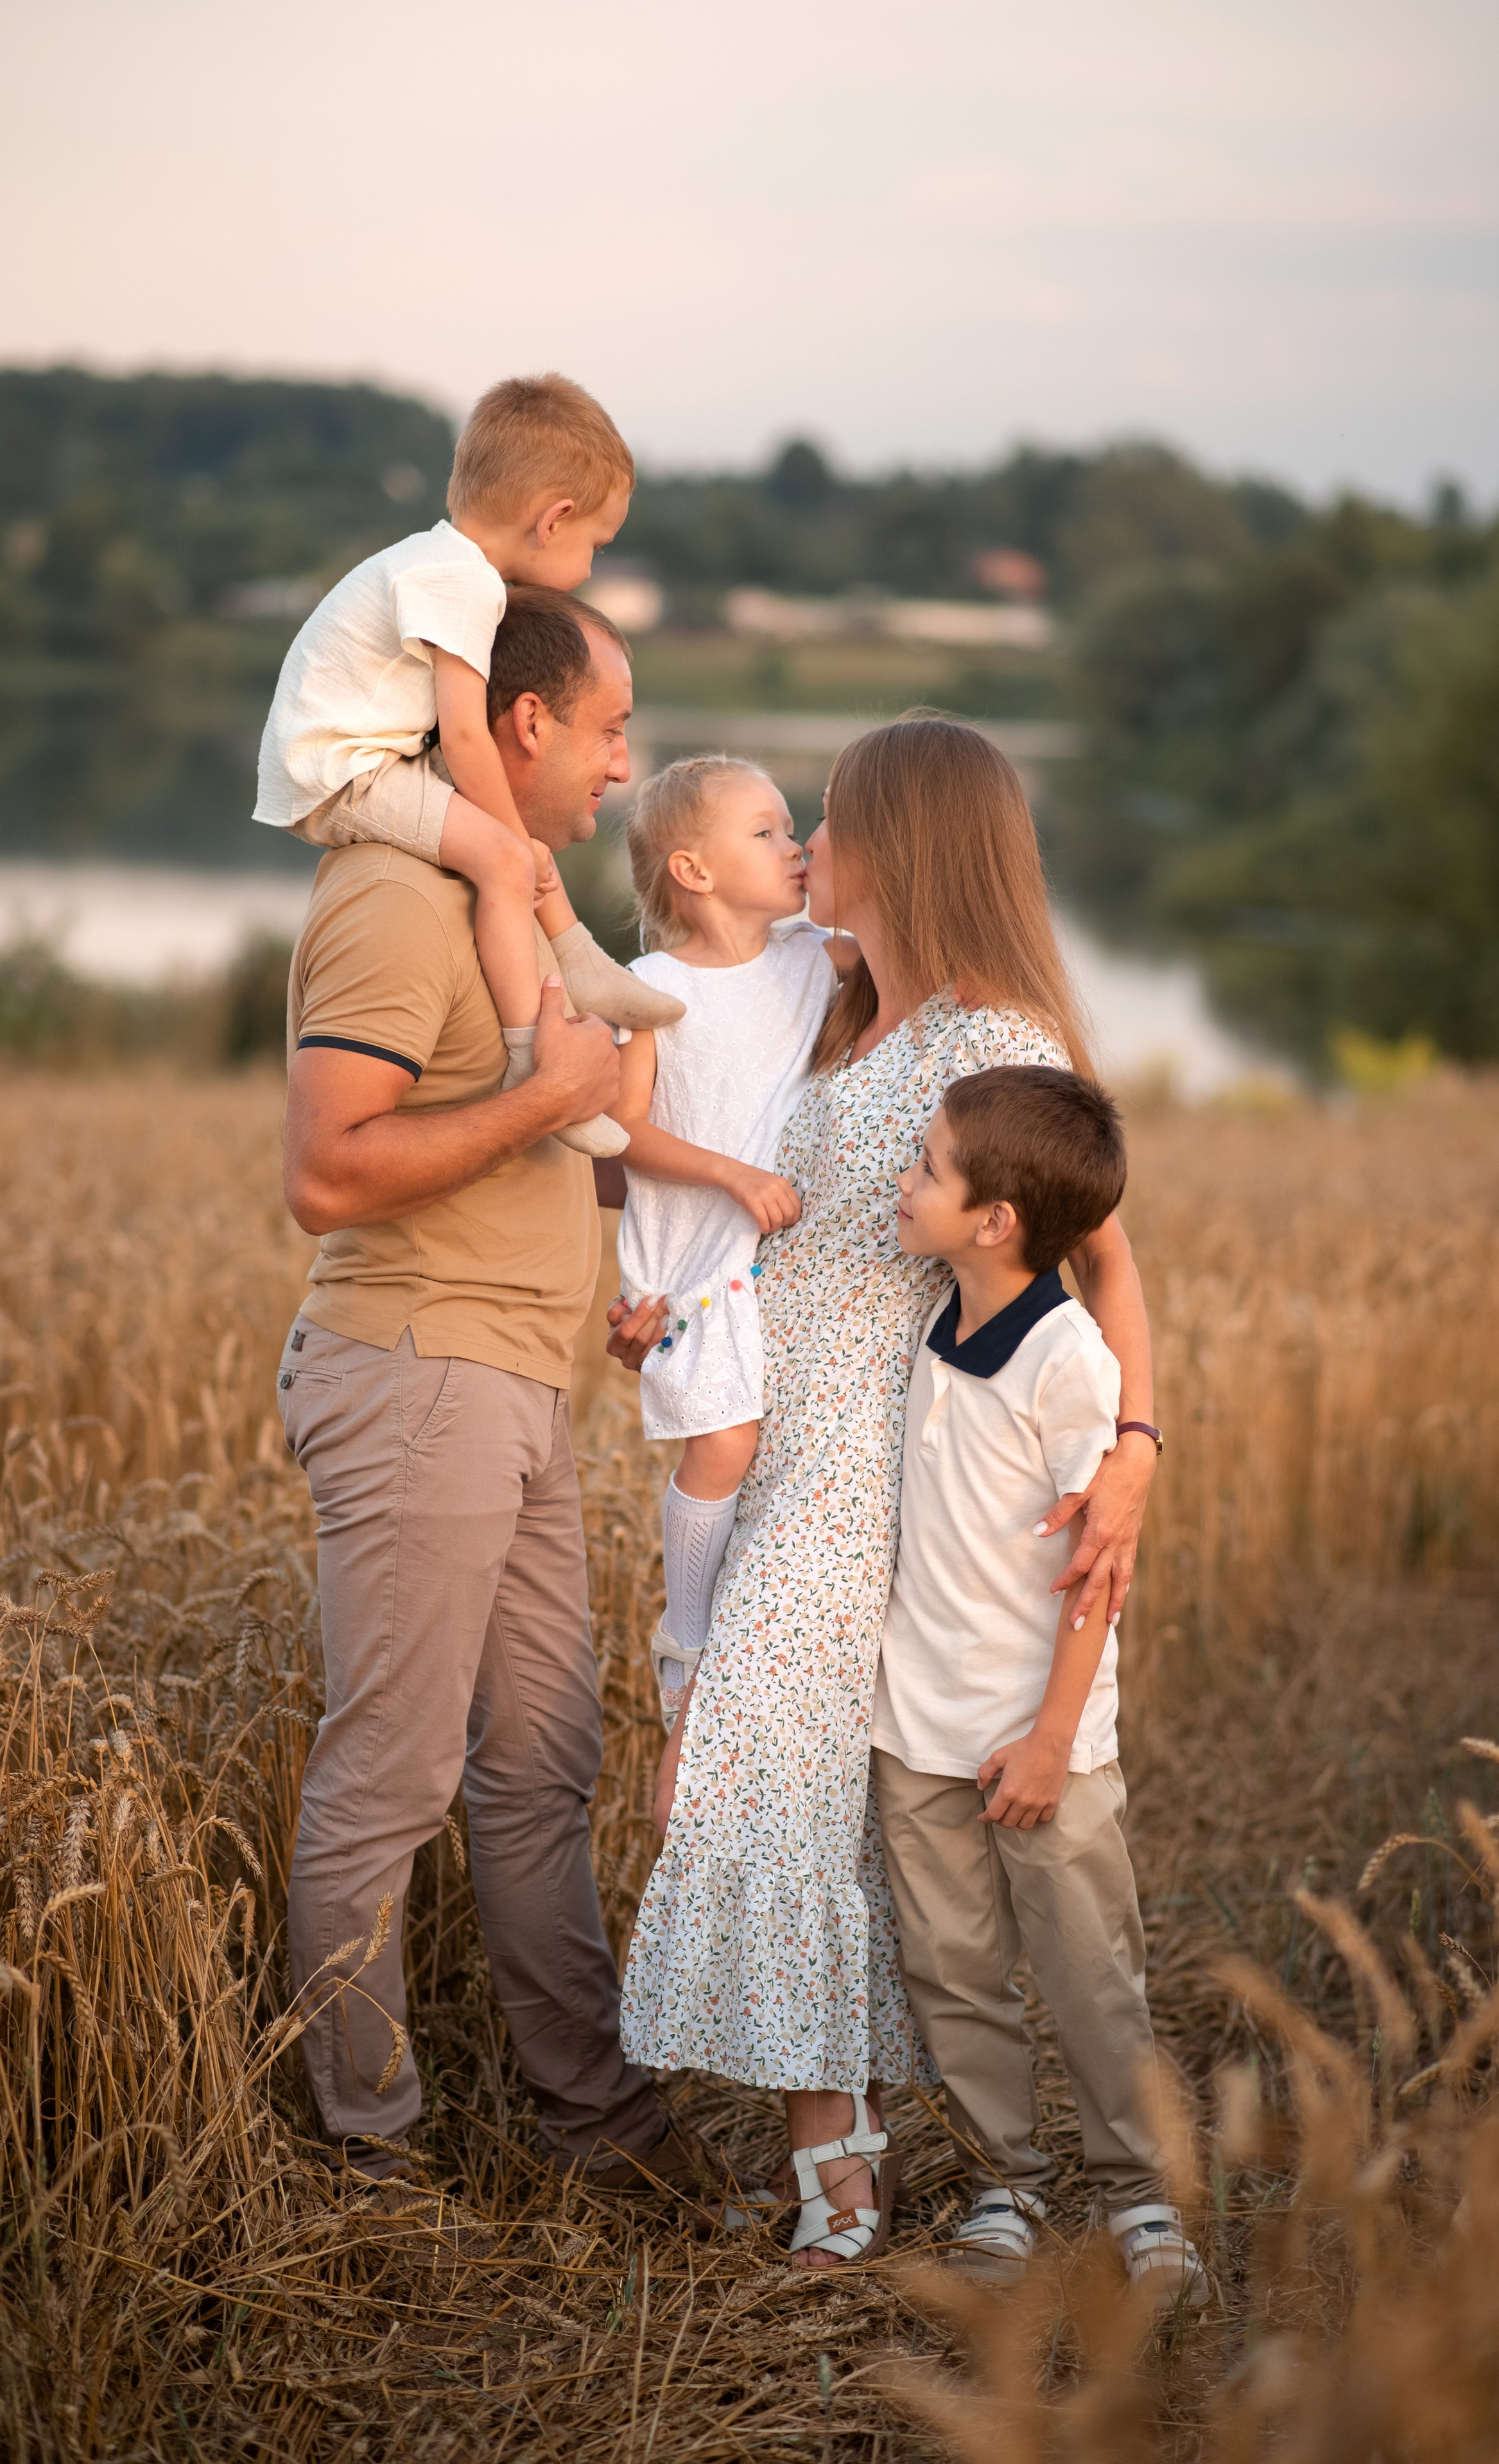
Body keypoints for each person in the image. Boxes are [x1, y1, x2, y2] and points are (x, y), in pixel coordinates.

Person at [611, 715, 1161, 2267]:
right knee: (801, 1796)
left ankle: (867, 2170)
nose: (808, 848)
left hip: (866, 1469)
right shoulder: (831, 1015)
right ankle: (864, 2155)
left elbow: (1105, 1260)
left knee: (743, 1771)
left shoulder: (991, 1042)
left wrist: (1133, 1443)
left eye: (832, 822)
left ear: (903, 845)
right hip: (760, 1437)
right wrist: (672, 1318)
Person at [276, 585, 689, 2199]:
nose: (621, 762)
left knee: (538, 1765)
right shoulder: (395, 899)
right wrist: (542, 1104)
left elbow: (561, 1130)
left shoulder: (512, 897)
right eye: (608, 728)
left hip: (511, 1382)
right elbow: (326, 1174)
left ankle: (598, 2128)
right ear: (522, 722)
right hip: (417, 1372)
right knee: (390, 1781)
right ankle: (367, 2165)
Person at [874, 1066, 1206, 2304]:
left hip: (1043, 1736)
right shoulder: (932, 1312)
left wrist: (1053, 1738)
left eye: (927, 1169)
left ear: (995, 1221)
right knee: (953, 1975)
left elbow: (1092, 1575)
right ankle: (1003, 2182)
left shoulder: (1068, 1359)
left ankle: (1141, 2195)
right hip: (917, 1730)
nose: (905, 1181)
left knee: (1091, 1975)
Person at [255, 372, 682, 1159]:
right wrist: (511, 842)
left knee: (514, 841)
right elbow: (463, 733)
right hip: (341, 772)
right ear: (553, 520)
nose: (592, 569)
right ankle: (534, 1059)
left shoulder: (441, 562)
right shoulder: (462, 585)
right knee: (504, 854)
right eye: (595, 546)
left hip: (357, 757)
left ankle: (579, 961)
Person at [608, 756, 840, 1749]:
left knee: (778, 1453)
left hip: (778, 1259)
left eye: (794, 829)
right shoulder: (653, 990)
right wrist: (732, 1175)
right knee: (726, 1444)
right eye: (767, 832)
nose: (795, 848)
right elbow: (624, 1131)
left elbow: (919, 940)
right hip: (693, 1256)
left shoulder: (815, 956)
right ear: (694, 871)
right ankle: (688, 1639)